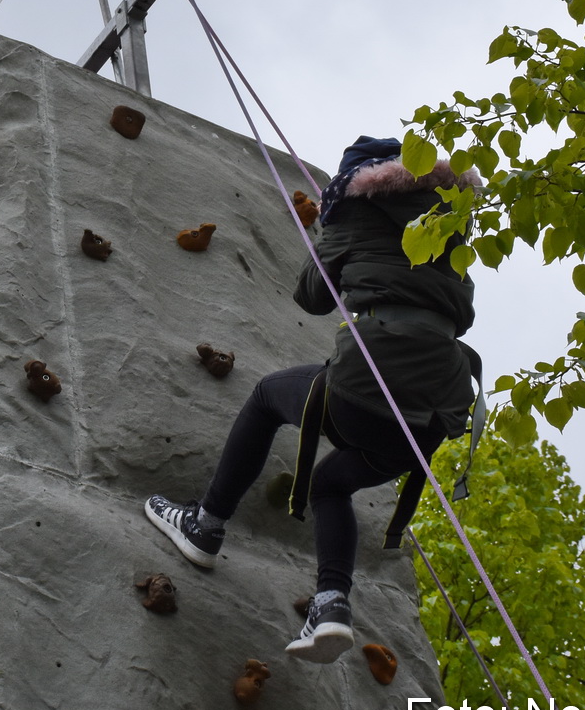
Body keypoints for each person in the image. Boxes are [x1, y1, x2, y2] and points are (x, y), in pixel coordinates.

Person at [144, 135, 482, 664]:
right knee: (332, 483)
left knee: (266, 396)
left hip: (370, 383)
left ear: (358, 180)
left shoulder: (357, 211)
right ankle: (330, 606)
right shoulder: (450, 225)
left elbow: (312, 295)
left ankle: (204, 525)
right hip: (433, 413)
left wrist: (330, 225)